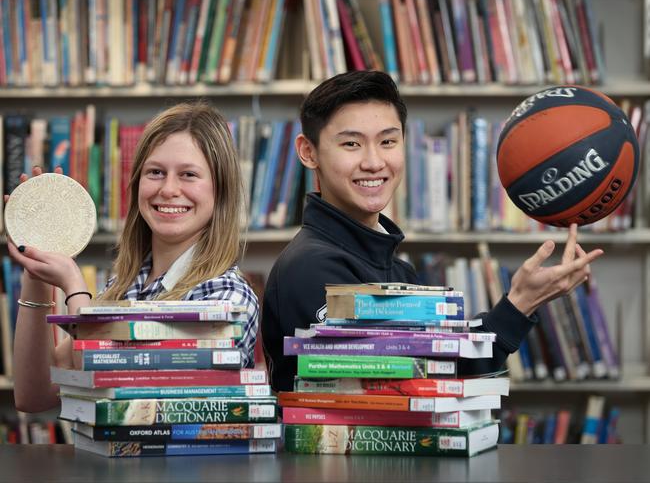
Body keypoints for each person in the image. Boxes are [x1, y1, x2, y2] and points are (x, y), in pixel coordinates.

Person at [262, 70, 604, 392]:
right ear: (309, 152)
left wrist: (521, 302)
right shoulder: (311, 268)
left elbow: (441, 373)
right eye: (351, 144)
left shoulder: (396, 268)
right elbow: (399, 393)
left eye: (388, 142)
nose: (374, 162)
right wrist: (516, 306)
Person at [10, 102, 259, 412]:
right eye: (155, 172)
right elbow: (35, 396)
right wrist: (35, 268)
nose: (168, 189)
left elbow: (122, 406)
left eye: (189, 175)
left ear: (220, 191)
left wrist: (75, 288)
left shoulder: (228, 296)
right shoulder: (124, 288)